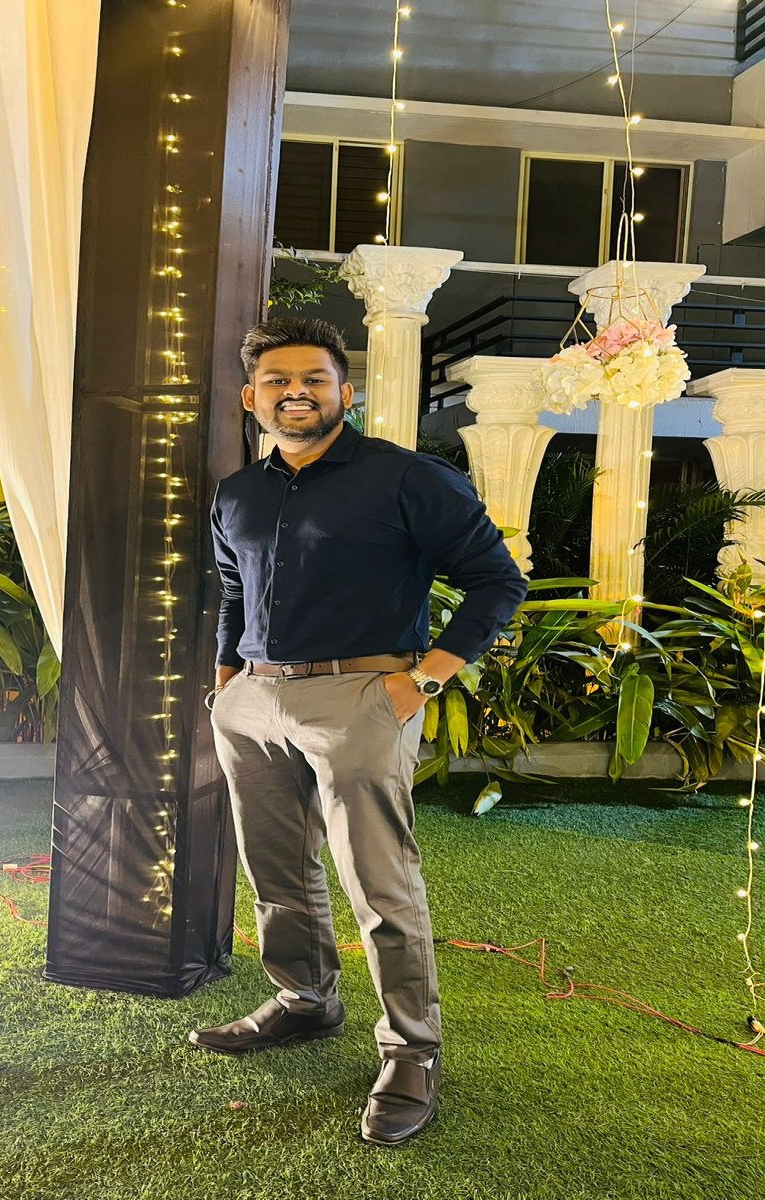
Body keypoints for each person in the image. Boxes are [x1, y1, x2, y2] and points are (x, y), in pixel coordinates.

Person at [189, 317, 528, 1146]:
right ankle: (304, 999)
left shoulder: (407, 478)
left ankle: (412, 1050)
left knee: (380, 885)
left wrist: (424, 680)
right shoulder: (239, 492)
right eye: (277, 380)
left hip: (364, 696)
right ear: (251, 397)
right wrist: (228, 682)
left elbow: (497, 580)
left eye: (313, 378)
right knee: (275, 871)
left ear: (346, 391)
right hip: (254, 701)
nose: (295, 392)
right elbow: (234, 589)